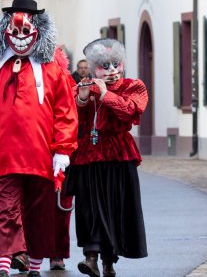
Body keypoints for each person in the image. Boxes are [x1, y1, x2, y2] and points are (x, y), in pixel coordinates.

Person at [0, 0, 78, 277]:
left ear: (37, 31)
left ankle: (34, 267)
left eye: (25, 32)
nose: (19, 38)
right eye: (14, 32)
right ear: (6, 32)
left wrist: (62, 151)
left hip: (40, 158)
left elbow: (65, 114)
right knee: (4, 212)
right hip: (3, 157)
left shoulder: (54, 73)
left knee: (38, 215)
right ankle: (4, 267)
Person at [66, 38, 148, 277]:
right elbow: (69, 115)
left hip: (118, 156)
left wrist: (105, 95)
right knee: (89, 207)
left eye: (116, 64)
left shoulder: (134, 86)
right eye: (105, 66)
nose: (112, 71)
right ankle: (91, 256)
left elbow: (130, 111)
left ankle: (108, 260)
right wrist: (82, 98)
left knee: (114, 207)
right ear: (94, 68)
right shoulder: (85, 85)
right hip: (89, 155)